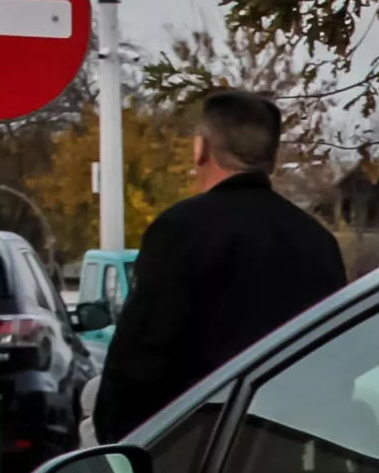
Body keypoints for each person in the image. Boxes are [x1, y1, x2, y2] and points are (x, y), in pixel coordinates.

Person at [90, 90, 347, 440]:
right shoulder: (318, 241)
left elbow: (142, 358)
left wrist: (118, 443)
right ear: (270, 159)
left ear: (201, 149)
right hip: (294, 443)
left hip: (202, 447)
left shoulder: (181, 230)